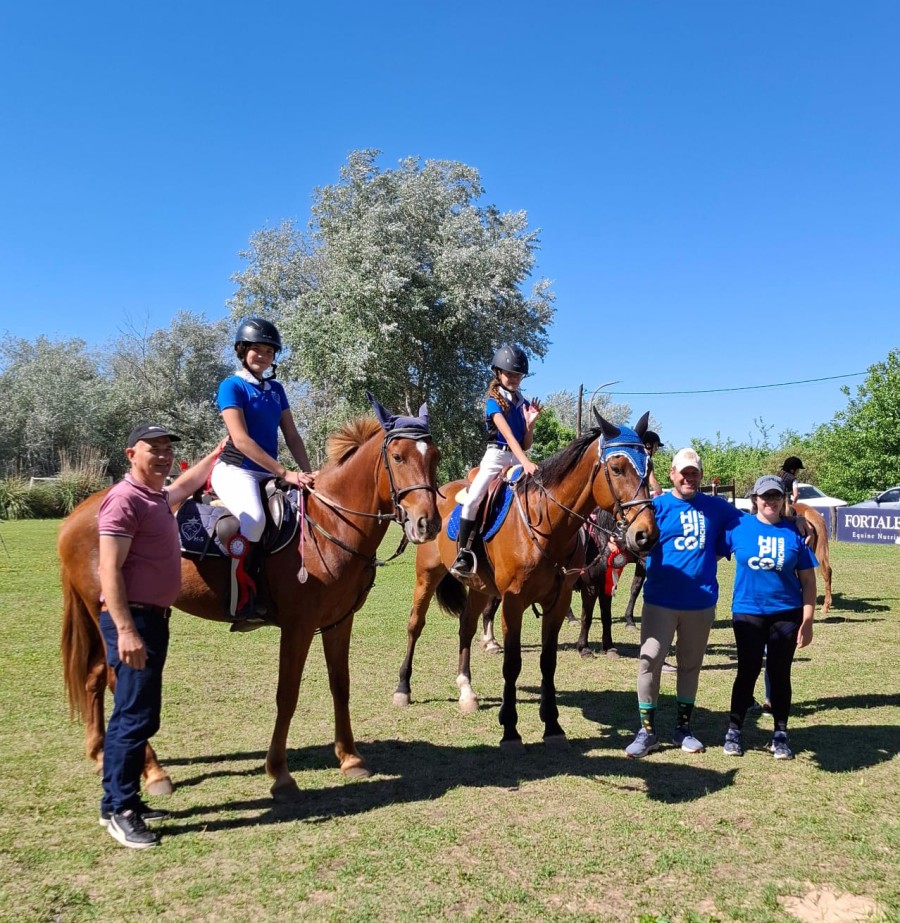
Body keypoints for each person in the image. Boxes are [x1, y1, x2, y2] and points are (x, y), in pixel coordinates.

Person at [98, 423, 223, 848]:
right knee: (132, 716)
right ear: (131, 453)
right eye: (155, 449)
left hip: (154, 619)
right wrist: (126, 629)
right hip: (132, 620)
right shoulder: (124, 501)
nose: (164, 456)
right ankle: (119, 808)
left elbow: (186, 485)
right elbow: (109, 570)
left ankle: (123, 798)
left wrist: (219, 452)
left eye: (168, 450)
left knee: (142, 714)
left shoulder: (154, 497)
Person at [625, 447, 743, 758]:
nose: (689, 478)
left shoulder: (718, 508)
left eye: (694, 473)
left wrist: (791, 520)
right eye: (684, 473)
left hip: (700, 602)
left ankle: (684, 729)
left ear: (700, 476)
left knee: (690, 666)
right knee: (649, 661)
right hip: (660, 600)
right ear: (672, 475)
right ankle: (647, 732)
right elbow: (629, 533)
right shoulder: (657, 506)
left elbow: (752, 526)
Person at [210, 318, 315, 618]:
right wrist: (285, 473)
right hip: (235, 470)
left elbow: (292, 435)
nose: (264, 357)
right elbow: (241, 440)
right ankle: (240, 594)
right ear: (242, 350)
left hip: (266, 471)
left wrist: (307, 472)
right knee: (255, 519)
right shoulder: (231, 386)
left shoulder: (276, 390)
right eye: (257, 350)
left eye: (269, 352)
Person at [718, 475, 816, 760]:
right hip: (748, 611)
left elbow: (808, 582)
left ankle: (780, 734)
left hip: (786, 613)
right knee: (747, 670)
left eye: (776, 496)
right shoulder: (739, 527)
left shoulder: (796, 532)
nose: (770, 501)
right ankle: (734, 731)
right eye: (765, 496)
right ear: (754, 500)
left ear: (783, 499)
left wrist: (808, 621)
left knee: (779, 672)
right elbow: (707, 552)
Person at [450, 344, 541, 577]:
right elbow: (508, 436)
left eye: (518, 375)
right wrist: (527, 463)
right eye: (510, 374)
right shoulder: (492, 401)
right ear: (498, 374)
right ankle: (464, 553)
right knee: (473, 500)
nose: (514, 378)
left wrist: (530, 424)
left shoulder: (522, 402)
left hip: (517, 457)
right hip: (496, 457)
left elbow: (525, 443)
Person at [643, 430, 664, 497]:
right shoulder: (647, 459)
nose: (657, 448)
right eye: (656, 445)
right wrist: (663, 495)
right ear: (648, 445)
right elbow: (652, 481)